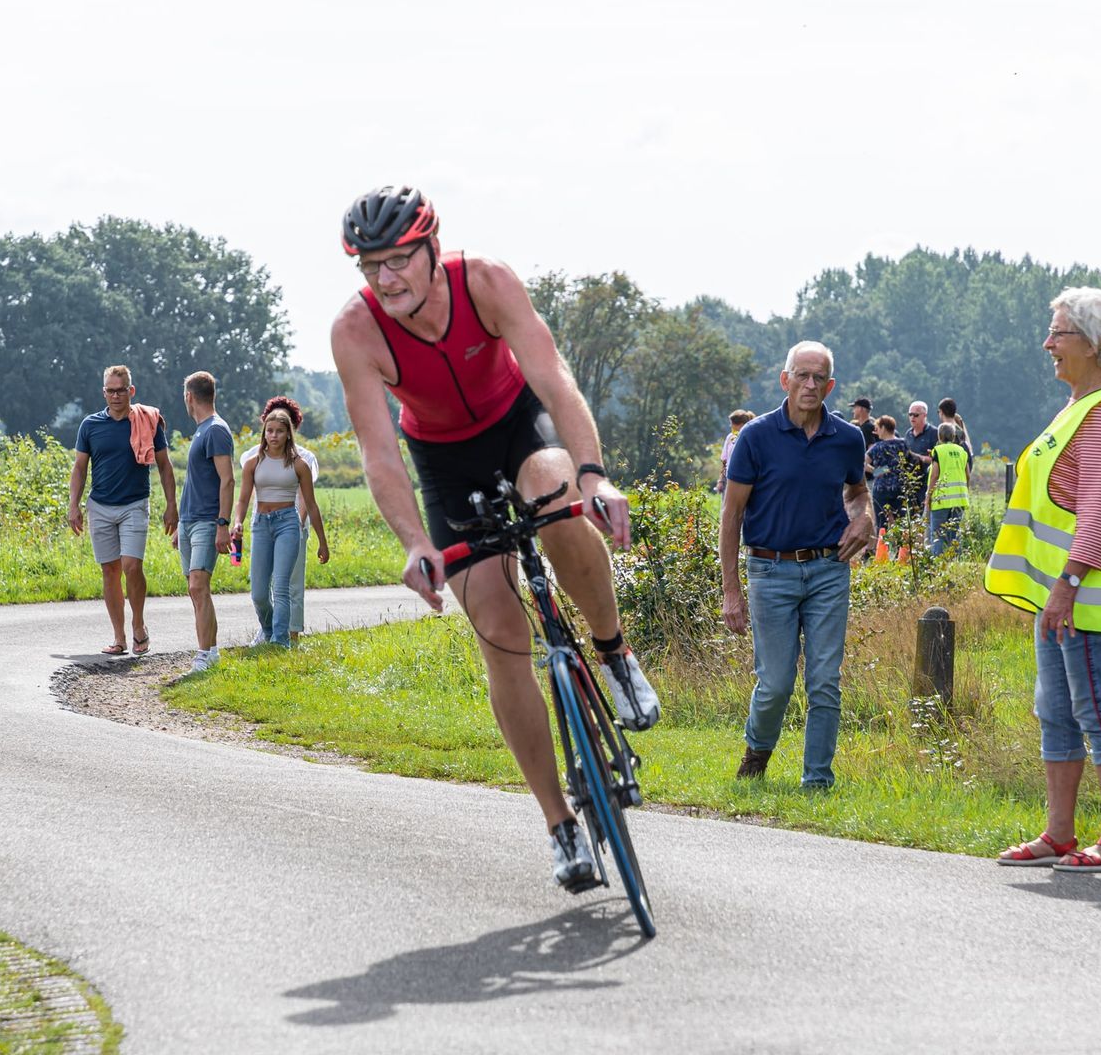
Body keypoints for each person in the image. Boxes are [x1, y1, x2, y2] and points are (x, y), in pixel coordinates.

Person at [329, 185, 660, 894]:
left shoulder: (485, 280)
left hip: (517, 422)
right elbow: (379, 454)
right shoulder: (355, 331)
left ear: (431, 248)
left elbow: (555, 380)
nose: (386, 278)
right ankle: (560, 825)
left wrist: (595, 476)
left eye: (398, 260)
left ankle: (613, 652)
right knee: (501, 634)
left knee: (558, 497)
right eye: (370, 266)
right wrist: (415, 543)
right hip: (444, 462)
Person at [989, 286, 1101, 873]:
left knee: (1097, 710)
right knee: (1054, 710)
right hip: (1060, 597)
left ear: (1094, 343)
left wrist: (1068, 585)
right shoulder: (1079, 405)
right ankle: (1059, 834)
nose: (1047, 343)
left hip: (1081, 598)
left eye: (1058, 333)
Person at [719, 341, 875, 787]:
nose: (810, 384)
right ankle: (757, 752)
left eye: (818, 378)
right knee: (775, 684)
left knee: (824, 681)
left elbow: (858, 492)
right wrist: (731, 590)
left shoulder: (847, 438)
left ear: (830, 385)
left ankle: (817, 781)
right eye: (801, 376)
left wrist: (864, 519)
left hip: (829, 570)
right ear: (784, 380)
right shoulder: (755, 437)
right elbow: (731, 514)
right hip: (770, 571)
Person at [67, 366, 178, 656]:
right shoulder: (90, 425)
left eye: (121, 390)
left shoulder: (146, 422)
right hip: (100, 506)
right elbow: (79, 468)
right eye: (110, 390)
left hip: (134, 504)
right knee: (110, 570)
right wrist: (73, 505)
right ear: (103, 392)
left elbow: (165, 466)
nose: (115, 396)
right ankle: (119, 638)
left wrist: (171, 505)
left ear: (131, 391)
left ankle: (138, 624)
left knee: (131, 566)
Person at [233, 406, 330, 646]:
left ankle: (280, 641)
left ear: (288, 434)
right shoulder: (253, 463)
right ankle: (268, 631)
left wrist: (322, 541)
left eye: (279, 431)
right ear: (264, 433)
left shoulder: (299, 465)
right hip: (261, 525)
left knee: (281, 586)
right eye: (270, 431)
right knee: (258, 593)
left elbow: (311, 504)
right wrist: (237, 522)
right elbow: (243, 499)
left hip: (288, 523)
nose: (274, 435)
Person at [177, 371, 235, 672]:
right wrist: (181, 523)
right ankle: (210, 653)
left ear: (189, 396)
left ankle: (203, 655)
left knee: (199, 585)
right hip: (190, 521)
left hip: (207, 521)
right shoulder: (202, 430)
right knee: (195, 589)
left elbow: (228, 480)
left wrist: (222, 524)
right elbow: (196, 482)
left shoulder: (216, 430)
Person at [925, 421, 971, 557]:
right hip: (959, 499)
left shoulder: (938, 451)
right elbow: (968, 475)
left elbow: (934, 475)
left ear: (939, 436)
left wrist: (928, 495)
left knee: (938, 535)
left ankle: (938, 562)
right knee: (954, 535)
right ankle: (955, 562)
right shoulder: (962, 451)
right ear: (953, 436)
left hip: (941, 499)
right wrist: (965, 492)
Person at [866, 416, 909, 549]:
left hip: (881, 489)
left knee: (881, 524)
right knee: (902, 522)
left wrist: (877, 471)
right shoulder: (904, 444)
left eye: (877, 428)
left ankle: (882, 552)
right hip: (900, 488)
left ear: (884, 428)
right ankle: (902, 552)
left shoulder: (877, 447)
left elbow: (862, 463)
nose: (876, 432)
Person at [901, 401, 938, 513]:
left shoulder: (934, 433)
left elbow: (938, 460)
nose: (912, 417)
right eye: (910, 414)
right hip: (911, 483)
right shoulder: (908, 434)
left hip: (927, 483)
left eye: (916, 415)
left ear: (925, 415)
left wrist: (918, 457)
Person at [716, 409, 753, 494]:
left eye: (732, 423)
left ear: (741, 424)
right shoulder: (730, 438)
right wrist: (721, 480)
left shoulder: (750, 437)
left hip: (745, 478)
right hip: (729, 478)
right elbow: (724, 461)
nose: (731, 426)